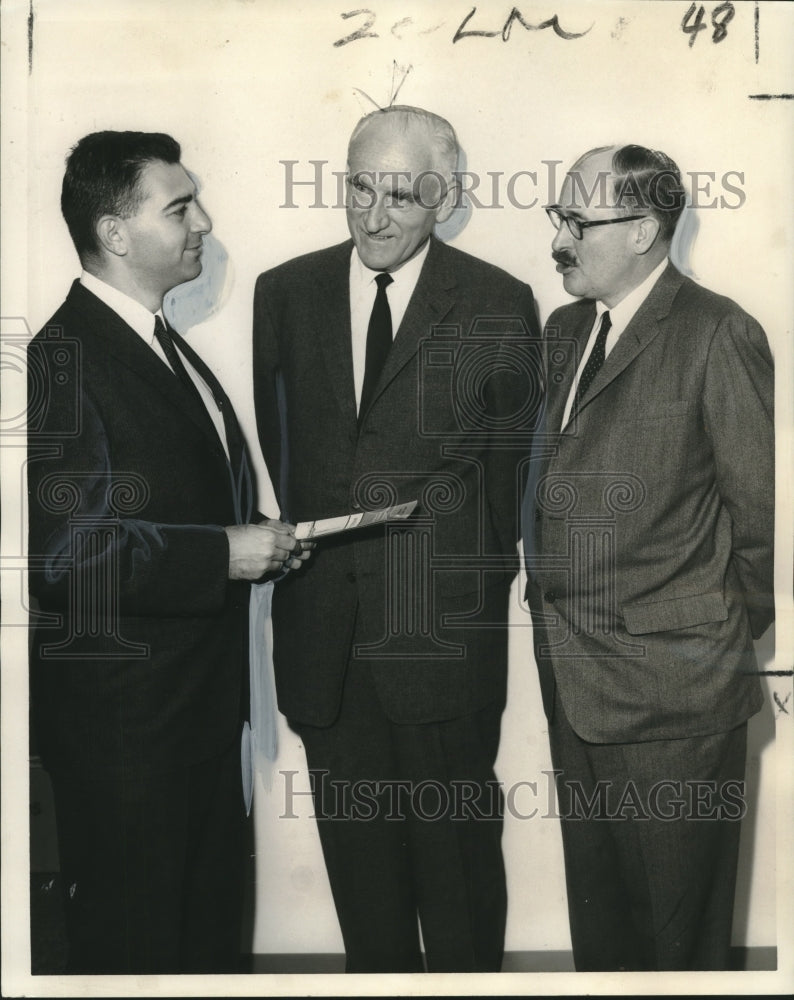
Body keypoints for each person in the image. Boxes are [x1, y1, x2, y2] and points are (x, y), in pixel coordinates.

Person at [252, 105, 541, 972]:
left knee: (456, 886)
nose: (374, 216)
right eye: (359, 189)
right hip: (325, 646)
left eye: (402, 196)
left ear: (444, 200)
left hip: (442, 647)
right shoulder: (285, 291)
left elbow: (507, 480)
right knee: (363, 898)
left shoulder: (497, 301)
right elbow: (287, 449)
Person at [27, 130, 309, 974]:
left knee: (204, 956)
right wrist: (225, 553)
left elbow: (167, 504)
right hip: (127, 746)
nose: (204, 223)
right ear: (115, 233)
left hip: (187, 727)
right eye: (179, 206)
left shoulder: (160, 344)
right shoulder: (65, 358)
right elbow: (66, 556)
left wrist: (260, 537)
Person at [522, 144, 774, 971]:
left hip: (676, 697)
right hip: (574, 679)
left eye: (578, 223)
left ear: (643, 230)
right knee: (606, 940)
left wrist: (700, 636)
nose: (559, 241)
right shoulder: (564, 331)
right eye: (559, 217)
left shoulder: (717, 331)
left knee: (677, 946)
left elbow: (759, 521)